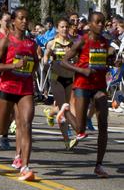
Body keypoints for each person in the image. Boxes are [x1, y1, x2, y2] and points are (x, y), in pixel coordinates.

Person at [57, 11, 120, 178]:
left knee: (103, 125)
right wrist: (81, 70)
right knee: (80, 129)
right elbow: (63, 61)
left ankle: (99, 165)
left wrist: (115, 62)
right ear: (90, 24)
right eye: (97, 22)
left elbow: (108, 62)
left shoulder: (105, 42)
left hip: (99, 86)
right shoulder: (82, 41)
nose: (100, 25)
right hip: (82, 85)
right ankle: (64, 113)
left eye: (102, 22)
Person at [0, 7, 38, 181]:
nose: (24, 21)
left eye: (26, 18)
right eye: (21, 18)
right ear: (13, 21)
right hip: (6, 88)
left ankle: (25, 166)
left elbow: (35, 65)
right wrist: (13, 66)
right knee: (1, 129)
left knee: (26, 125)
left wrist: (28, 71)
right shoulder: (6, 41)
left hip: (25, 90)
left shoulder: (32, 43)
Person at [42, 18, 77, 149]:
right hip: (56, 79)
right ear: (57, 28)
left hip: (69, 79)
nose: (64, 29)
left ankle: (50, 112)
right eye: (62, 27)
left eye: (67, 27)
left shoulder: (73, 44)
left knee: (64, 107)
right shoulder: (52, 43)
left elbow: (77, 60)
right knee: (64, 107)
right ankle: (67, 140)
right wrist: (47, 61)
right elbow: (45, 57)